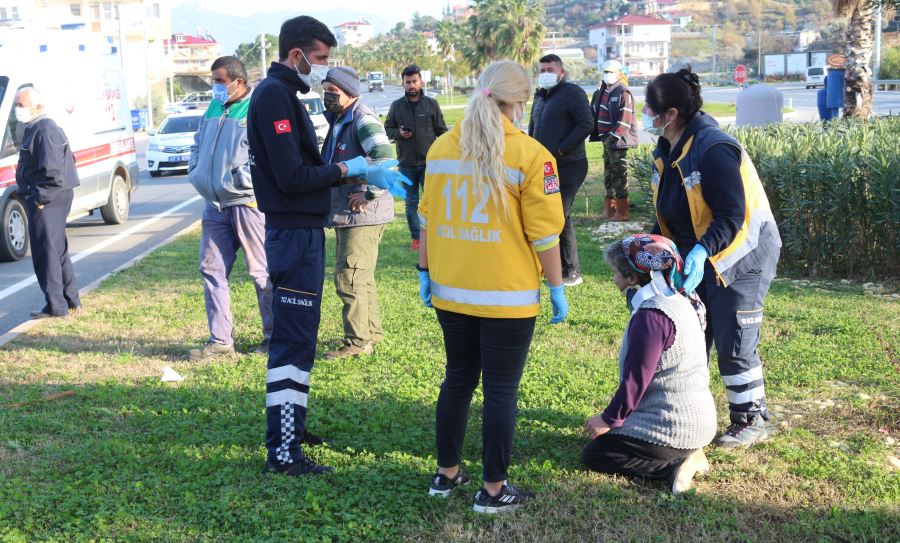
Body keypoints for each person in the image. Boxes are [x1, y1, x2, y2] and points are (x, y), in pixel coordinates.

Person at [248, 15, 410, 477]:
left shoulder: (284, 96)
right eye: (319, 59)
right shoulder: (275, 96)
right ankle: (283, 449)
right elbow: (292, 177)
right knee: (293, 339)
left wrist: (355, 168)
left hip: (301, 231)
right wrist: (348, 168)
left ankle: (292, 427)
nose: (323, 70)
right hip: (293, 233)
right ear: (296, 54)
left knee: (301, 335)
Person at [418, 60, 568, 514]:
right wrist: (557, 286)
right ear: (518, 104)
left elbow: (425, 218)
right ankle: (493, 488)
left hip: (452, 291)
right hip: (508, 297)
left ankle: (446, 475)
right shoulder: (533, 156)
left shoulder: (442, 147)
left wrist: (425, 271)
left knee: (458, 379)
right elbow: (545, 235)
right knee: (501, 391)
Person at [643, 66, 782, 448]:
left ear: (670, 114)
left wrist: (704, 250)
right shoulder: (667, 148)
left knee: (733, 337)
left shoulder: (714, 147)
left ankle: (751, 418)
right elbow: (671, 207)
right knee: (694, 332)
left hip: (743, 252)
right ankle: (693, 412)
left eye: (649, 108)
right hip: (697, 255)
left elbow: (732, 216)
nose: (645, 114)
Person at [583, 234, 717, 495]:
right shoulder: (679, 300)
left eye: (615, 272)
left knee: (596, 454)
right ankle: (691, 449)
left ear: (633, 278)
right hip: (700, 422)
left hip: (675, 426)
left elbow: (637, 380)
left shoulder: (651, 315)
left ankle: (675, 464)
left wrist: (608, 418)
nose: (613, 278)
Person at [187, 56, 273, 361]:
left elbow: (265, 156)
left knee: (261, 271)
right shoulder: (213, 107)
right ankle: (221, 339)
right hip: (214, 204)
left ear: (238, 82)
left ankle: (272, 337)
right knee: (211, 269)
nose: (215, 87)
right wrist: (195, 169)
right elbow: (198, 142)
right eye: (213, 81)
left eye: (220, 81)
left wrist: (240, 180)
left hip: (247, 203)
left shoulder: (256, 108)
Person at [321, 66, 396, 359]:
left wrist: (368, 194)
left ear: (350, 93)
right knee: (361, 277)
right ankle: (371, 332)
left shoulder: (362, 120)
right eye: (325, 89)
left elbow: (386, 159)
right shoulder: (342, 119)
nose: (327, 96)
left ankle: (357, 341)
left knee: (348, 276)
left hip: (361, 214)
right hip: (349, 213)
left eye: (333, 91)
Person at [14, 87, 81, 319]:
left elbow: (52, 171)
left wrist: (40, 199)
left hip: (48, 198)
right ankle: (71, 300)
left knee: (47, 253)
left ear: (38, 106)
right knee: (57, 249)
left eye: (21, 105)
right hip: (54, 196)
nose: (17, 110)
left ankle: (56, 306)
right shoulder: (38, 128)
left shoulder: (44, 129)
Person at [528, 54, 593, 287]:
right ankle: (565, 268)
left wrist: (561, 151)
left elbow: (586, 124)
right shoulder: (540, 97)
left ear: (561, 72)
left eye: (550, 69)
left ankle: (568, 271)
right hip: (546, 168)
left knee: (556, 216)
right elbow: (533, 130)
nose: (546, 73)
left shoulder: (572, 93)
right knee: (560, 216)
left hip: (569, 165)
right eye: (542, 69)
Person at [384, 64, 448, 251]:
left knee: (433, 201)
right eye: (408, 82)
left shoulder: (431, 105)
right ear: (402, 83)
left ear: (421, 82)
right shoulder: (396, 106)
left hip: (430, 163)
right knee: (411, 202)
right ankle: (416, 239)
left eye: (414, 81)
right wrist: (399, 133)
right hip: (407, 164)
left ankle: (436, 236)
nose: (411, 85)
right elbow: (387, 129)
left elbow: (442, 132)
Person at [589, 59, 638, 221]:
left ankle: (622, 212)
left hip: (617, 141)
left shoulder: (623, 92)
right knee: (608, 174)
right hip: (606, 139)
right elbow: (594, 111)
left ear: (619, 74)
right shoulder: (603, 91)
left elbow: (625, 120)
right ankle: (609, 210)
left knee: (619, 175)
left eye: (611, 72)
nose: (608, 75)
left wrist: (614, 137)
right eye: (606, 72)